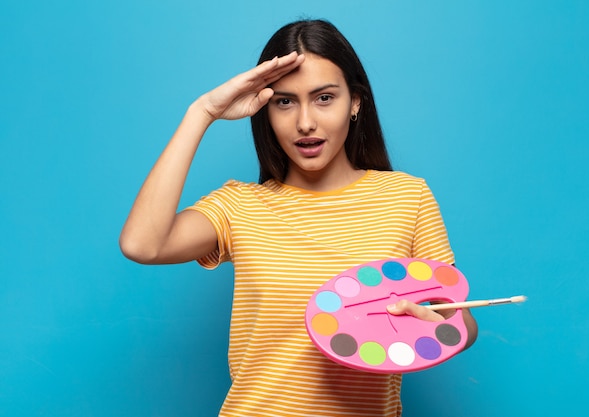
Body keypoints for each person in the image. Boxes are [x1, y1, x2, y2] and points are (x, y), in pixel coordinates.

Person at [120, 19, 477, 417]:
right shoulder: (240, 206)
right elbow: (142, 244)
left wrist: (429, 327)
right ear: (265, 109)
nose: (305, 122)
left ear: (355, 101)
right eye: (285, 102)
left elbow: (460, 321)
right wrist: (202, 112)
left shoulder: (406, 197)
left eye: (324, 98)